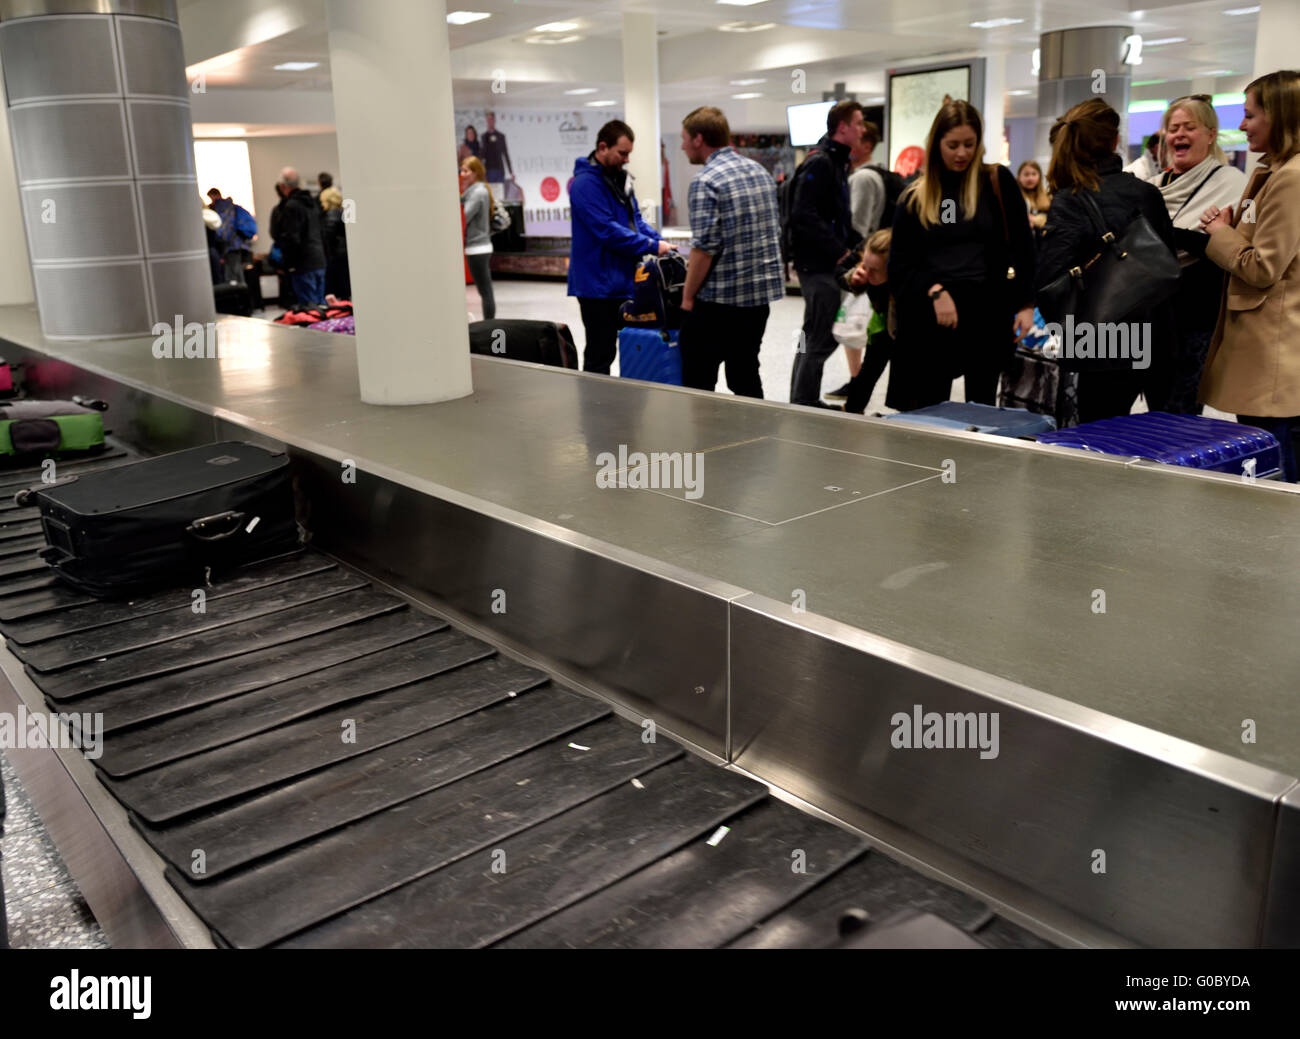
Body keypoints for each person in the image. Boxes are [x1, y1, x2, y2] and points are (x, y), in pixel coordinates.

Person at [887, 98, 1036, 411]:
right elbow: (900, 264)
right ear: (936, 142)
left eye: (970, 144)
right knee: (928, 412)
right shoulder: (916, 196)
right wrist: (935, 290)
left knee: (981, 411)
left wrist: (1025, 303)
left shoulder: (996, 181)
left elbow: (1023, 247)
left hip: (987, 313)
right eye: (953, 144)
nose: (962, 153)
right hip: (933, 316)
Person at [1035, 99, 1176, 422]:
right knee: (1157, 439)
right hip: (1152, 337)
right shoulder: (1146, 194)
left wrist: (1067, 334)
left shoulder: (1069, 200)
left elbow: (1050, 281)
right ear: (1115, 141)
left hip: (1096, 342)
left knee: (1095, 443)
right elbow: (1168, 267)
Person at [1199, 69, 1300, 482]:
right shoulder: (1274, 172)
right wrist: (1234, 228)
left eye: (1250, 115)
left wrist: (1220, 235)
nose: (1241, 126)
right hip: (1265, 351)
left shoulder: (1291, 179)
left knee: (1276, 472)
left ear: (1279, 116)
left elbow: (1263, 267)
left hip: (1271, 354)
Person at [677, 106, 784, 398]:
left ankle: (701, 442)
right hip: (756, 302)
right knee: (745, 373)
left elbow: (704, 249)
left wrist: (687, 298)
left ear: (699, 139)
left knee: (698, 382)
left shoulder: (706, 181)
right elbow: (772, 231)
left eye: (685, 138)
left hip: (716, 304)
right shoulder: (760, 173)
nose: (682, 144)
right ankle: (755, 437)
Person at [1149, 95, 1246, 414]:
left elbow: (1230, 247)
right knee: (1152, 407)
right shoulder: (1152, 186)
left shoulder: (1232, 183)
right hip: (1149, 312)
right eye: (1173, 127)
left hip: (1196, 316)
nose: (1179, 134)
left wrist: (1165, 234)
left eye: (1189, 127)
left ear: (1211, 134)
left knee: (1181, 411)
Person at [567, 119, 669, 374]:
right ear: (603, 147)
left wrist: (658, 241)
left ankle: (620, 407)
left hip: (624, 282)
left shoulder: (621, 181)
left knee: (630, 348)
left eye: (629, 154)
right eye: (622, 153)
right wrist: (651, 246)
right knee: (600, 353)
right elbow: (608, 230)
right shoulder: (584, 185)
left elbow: (635, 222)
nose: (626, 159)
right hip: (596, 287)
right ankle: (594, 409)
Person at [787, 100, 866, 406]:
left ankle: (802, 397)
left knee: (812, 334)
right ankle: (804, 401)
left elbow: (834, 216)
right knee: (820, 337)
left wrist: (860, 244)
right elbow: (803, 215)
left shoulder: (835, 162)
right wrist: (839, 251)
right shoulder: (821, 162)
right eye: (858, 123)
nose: (863, 129)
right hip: (818, 266)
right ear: (842, 127)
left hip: (823, 262)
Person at [825, 121, 886, 401]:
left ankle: (857, 383)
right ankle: (857, 381)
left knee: (861, 323)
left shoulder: (861, 178)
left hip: (867, 258)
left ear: (867, 145)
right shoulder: (873, 174)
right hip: (874, 258)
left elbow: (857, 224)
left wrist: (849, 260)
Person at [841, 229, 896, 415]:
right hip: (880, 324)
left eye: (875, 270)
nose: (868, 273)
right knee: (867, 372)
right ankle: (851, 412)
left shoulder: (909, 280)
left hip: (905, 327)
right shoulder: (866, 257)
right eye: (865, 266)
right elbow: (839, 272)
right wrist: (854, 280)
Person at [269, 166, 327, 306]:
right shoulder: (312, 203)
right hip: (319, 260)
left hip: (303, 264)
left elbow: (291, 238)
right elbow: (321, 232)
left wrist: (289, 265)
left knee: (310, 311)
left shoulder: (291, 207)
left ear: (283, 186)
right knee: (320, 307)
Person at [459, 156, 495, 320]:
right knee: (484, 290)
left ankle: (490, 324)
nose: (462, 173)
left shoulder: (477, 192)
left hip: (477, 247)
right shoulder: (475, 191)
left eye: (466, 170)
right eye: (462, 170)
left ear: (475, 173)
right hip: (478, 246)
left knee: (485, 291)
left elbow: (464, 216)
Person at [206, 188, 256, 287]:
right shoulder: (231, 206)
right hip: (238, 243)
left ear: (214, 196)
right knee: (237, 269)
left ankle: (239, 292)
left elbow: (223, 230)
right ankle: (242, 292)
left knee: (232, 273)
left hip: (229, 245)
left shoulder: (220, 208)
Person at [320, 184, 351, 301]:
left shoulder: (330, 215)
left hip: (335, 258)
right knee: (345, 293)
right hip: (344, 256)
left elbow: (328, 237)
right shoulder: (343, 213)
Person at [1017, 160, 1052, 241]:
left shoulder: (1048, 197)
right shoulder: (1015, 198)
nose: (1030, 178)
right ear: (1019, 177)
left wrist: (1035, 220)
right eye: (1026, 174)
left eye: (1034, 174)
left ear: (1039, 176)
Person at [482, 111, 513, 187]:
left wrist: (510, 171)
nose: (490, 121)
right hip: (488, 170)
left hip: (499, 169)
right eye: (488, 119)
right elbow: (482, 155)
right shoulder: (484, 136)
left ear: (494, 120)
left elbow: (505, 154)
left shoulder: (501, 136)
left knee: (499, 194)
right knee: (490, 195)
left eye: (491, 119)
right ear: (486, 121)